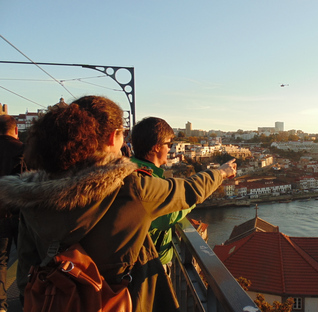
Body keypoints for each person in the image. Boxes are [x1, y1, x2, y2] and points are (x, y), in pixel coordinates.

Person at [0, 95, 236, 312]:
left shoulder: (32, 195)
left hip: (55, 301)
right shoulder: (131, 189)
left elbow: (26, 268)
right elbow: (189, 190)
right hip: (116, 302)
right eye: (123, 134)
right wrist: (221, 173)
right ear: (113, 137)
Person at [130, 117, 194, 271]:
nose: (170, 149)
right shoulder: (144, 178)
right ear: (157, 147)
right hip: (148, 266)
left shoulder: (131, 169)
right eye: (169, 144)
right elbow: (166, 217)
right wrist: (193, 196)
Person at [0, 115, 26, 312]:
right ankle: (27, 301)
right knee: (26, 260)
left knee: (0, 261)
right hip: (20, 213)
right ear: (15, 130)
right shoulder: (24, 150)